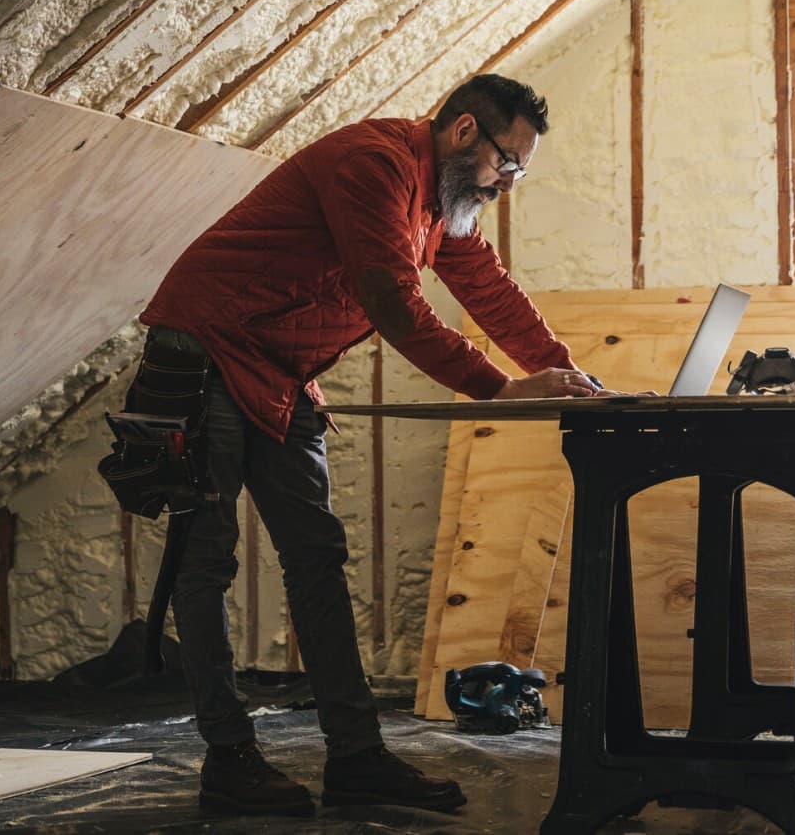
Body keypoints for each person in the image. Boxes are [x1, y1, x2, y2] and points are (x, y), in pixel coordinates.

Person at [138, 73, 610, 816]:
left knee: (316, 557)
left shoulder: (443, 199)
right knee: (208, 559)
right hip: (206, 348)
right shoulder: (376, 166)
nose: (505, 184)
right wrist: (500, 390)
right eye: (506, 165)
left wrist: (571, 373)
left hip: (282, 367)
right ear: (462, 134)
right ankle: (230, 759)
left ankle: (356, 759)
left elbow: (487, 288)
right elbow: (394, 300)